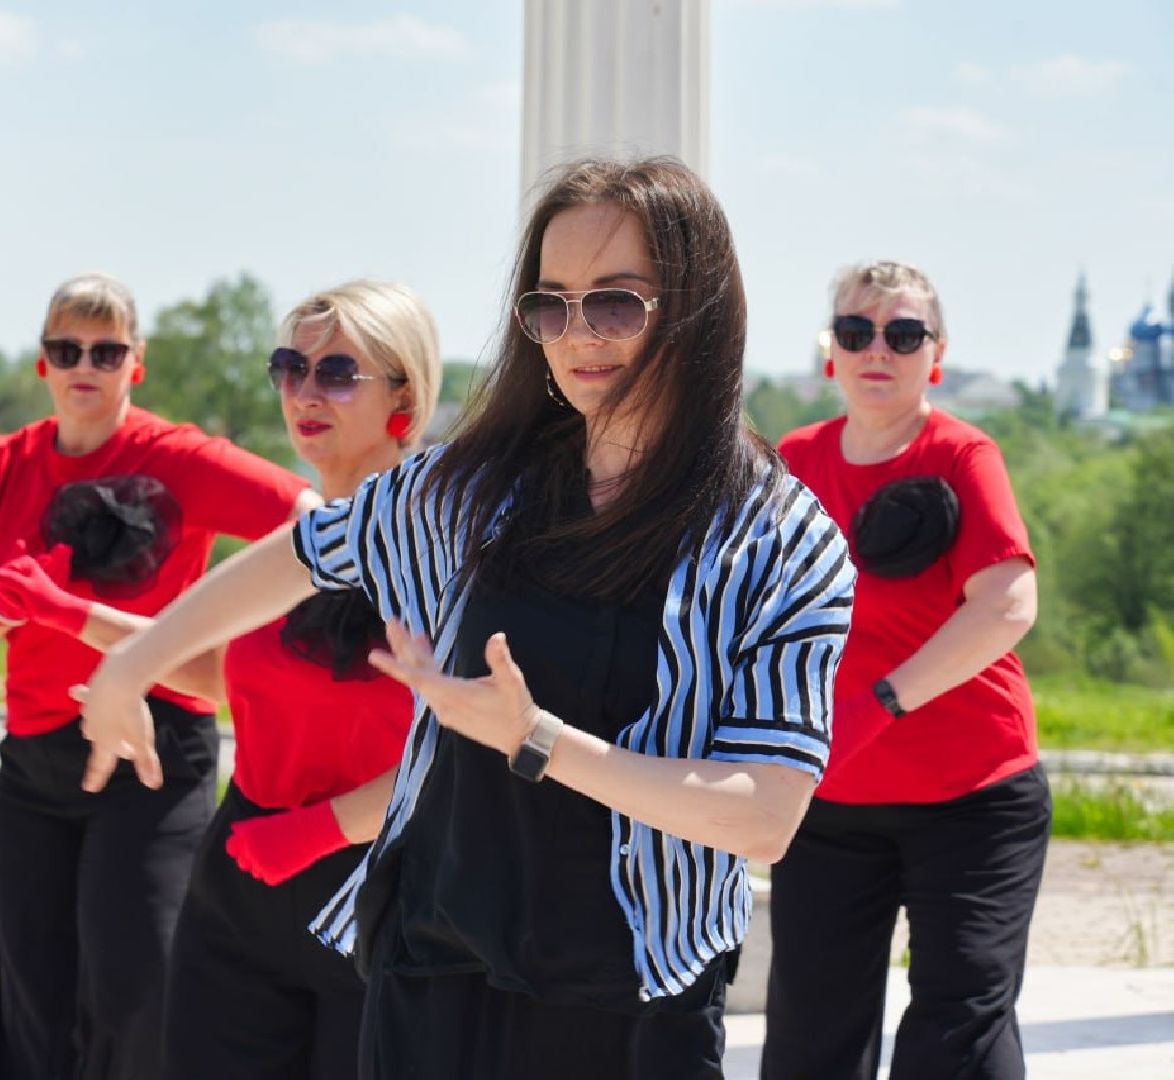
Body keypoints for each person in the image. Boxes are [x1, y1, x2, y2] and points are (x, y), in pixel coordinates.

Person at [74, 158, 856, 1079]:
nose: (576, 335)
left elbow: (763, 816)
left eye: (614, 303)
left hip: (633, 998)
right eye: (550, 306)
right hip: (434, 970)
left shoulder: (775, 537)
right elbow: (304, 550)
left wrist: (535, 740)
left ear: (697, 306)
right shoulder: (478, 487)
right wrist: (130, 667)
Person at [1, 280, 440, 1078]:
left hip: (377, 894)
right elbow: (230, 680)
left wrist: (316, 832)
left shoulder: (440, 554)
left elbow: (464, 752)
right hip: (241, 882)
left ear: (403, 395)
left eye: (337, 373)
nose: (304, 393)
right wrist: (70, 616)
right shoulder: (289, 545)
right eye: (289, 368)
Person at [0, 271, 316, 1080]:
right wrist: (5, 605)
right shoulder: (4, 464)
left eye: (105, 351)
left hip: (155, 755)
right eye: (67, 349)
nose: (85, 365)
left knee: (138, 982)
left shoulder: (178, 456)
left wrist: (249, 642)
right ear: (42, 362)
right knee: (33, 990)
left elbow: (312, 523)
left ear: (135, 362)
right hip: (35, 757)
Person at [762, 261, 1048, 1079]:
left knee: (957, 1033)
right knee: (809, 1038)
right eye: (855, 332)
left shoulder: (961, 454)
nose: (876, 350)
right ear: (830, 352)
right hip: (828, 800)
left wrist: (879, 703)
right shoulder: (794, 460)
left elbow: (1006, 605)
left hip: (972, 796)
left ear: (936, 354)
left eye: (903, 333)